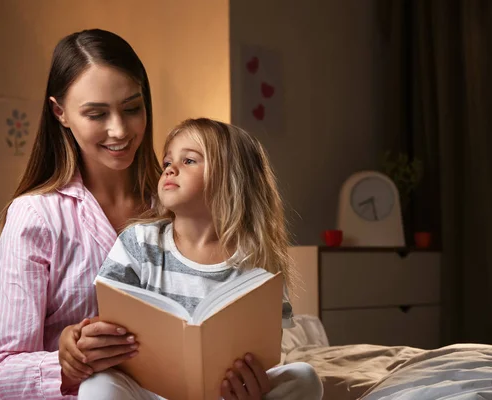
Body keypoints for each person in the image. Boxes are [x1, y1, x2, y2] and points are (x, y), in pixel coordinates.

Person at [75, 118, 324, 400]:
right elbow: (108, 315)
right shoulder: (138, 242)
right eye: (168, 161)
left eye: (189, 160)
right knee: (98, 385)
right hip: (149, 391)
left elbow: (267, 353)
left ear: (232, 179)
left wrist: (248, 383)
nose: (170, 168)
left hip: (223, 394)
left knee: (305, 379)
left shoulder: (258, 263)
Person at [0, 29, 162, 399]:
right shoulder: (35, 217)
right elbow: (1, 373)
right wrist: (64, 365)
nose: (120, 129)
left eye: (132, 108)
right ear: (60, 113)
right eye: (96, 113)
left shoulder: (174, 207)